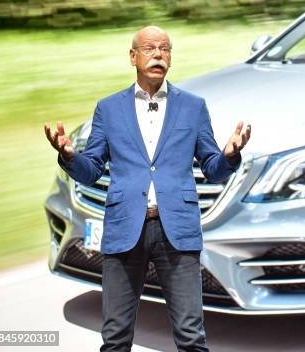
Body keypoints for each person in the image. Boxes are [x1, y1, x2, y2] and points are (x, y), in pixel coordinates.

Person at [43, 25, 251, 351]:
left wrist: (230, 155)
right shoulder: (108, 109)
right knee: (115, 339)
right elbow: (90, 170)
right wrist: (69, 156)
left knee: (191, 338)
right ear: (133, 57)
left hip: (177, 232)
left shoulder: (193, 107)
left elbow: (213, 169)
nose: (158, 54)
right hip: (125, 229)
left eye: (165, 48)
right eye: (150, 48)